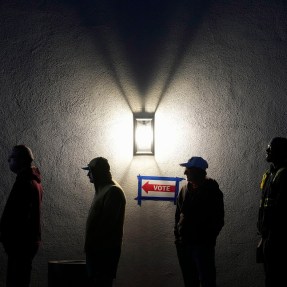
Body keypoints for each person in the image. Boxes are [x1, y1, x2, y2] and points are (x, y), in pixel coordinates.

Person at [174, 156, 224, 287]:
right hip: (184, 245)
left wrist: (206, 240)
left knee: (207, 281)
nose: (185, 172)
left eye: (188, 170)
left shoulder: (212, 191)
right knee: (190, 281)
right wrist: (178, 238)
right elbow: (178, 214)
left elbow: (218, 219)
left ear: (197, 171)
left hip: (202, 247)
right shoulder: (184, 189)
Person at [0, 145, 43, 287]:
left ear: (21, 160)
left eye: (11, 157)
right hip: (27, 242)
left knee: (16, 281)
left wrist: (8, 238)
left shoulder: (24, 182)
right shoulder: (34, 181)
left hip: (20, 244)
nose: (8, 160)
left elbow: (18, 215)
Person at [82, 157, 126, 287]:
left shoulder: (112, 191)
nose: (88, 174)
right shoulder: (103, 191)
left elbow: (107, 226)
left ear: (97, 172)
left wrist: (93, 248)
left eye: (90, 171)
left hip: (103, 255)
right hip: (96, 253)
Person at [257, 137, 287, 287]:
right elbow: (264, 205)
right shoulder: (269, 174)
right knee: (270, 276)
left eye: (271, 147)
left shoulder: (285, 175)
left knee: (277, 276)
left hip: (280, 238)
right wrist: (263, 234)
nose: (267, 150)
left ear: (282, 151)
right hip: (268, 235)